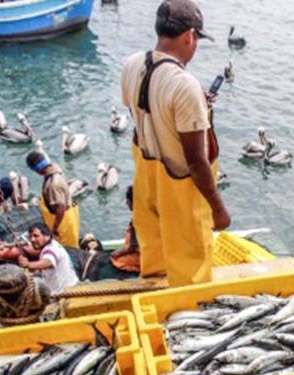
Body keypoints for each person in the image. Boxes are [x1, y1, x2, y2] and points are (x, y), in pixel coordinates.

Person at [121, 0, 231, 286]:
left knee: (155, 266)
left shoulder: (132, 65)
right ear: (189, 36)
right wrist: (218, 209)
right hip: (180, 196)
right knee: (191, 275)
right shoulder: (185, 84)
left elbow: (141, 115)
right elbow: (196, 161)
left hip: (147, 186)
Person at [26, 150, 81, 248]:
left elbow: (61, 207)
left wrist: (55, 227)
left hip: (62, 222)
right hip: (64, 214)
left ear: (37, 170)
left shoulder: (53, 184)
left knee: (66, 248)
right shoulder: (53, 168)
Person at [17, 222, 79, 294]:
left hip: (62, 293)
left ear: (47, 236)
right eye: (30, 237)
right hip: (71, 286)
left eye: (36, 236)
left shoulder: (50, 249)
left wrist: (28, 264)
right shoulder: (53, 244)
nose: (32, 240)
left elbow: (49, 261)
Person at [110, 185, 140, 273]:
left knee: (116, 260)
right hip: (152, 254)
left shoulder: (137, 220)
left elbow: (133, 246)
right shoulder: (147, 215)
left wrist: (119, 252)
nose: (126, 203)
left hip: (140, 257)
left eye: (128, 200)